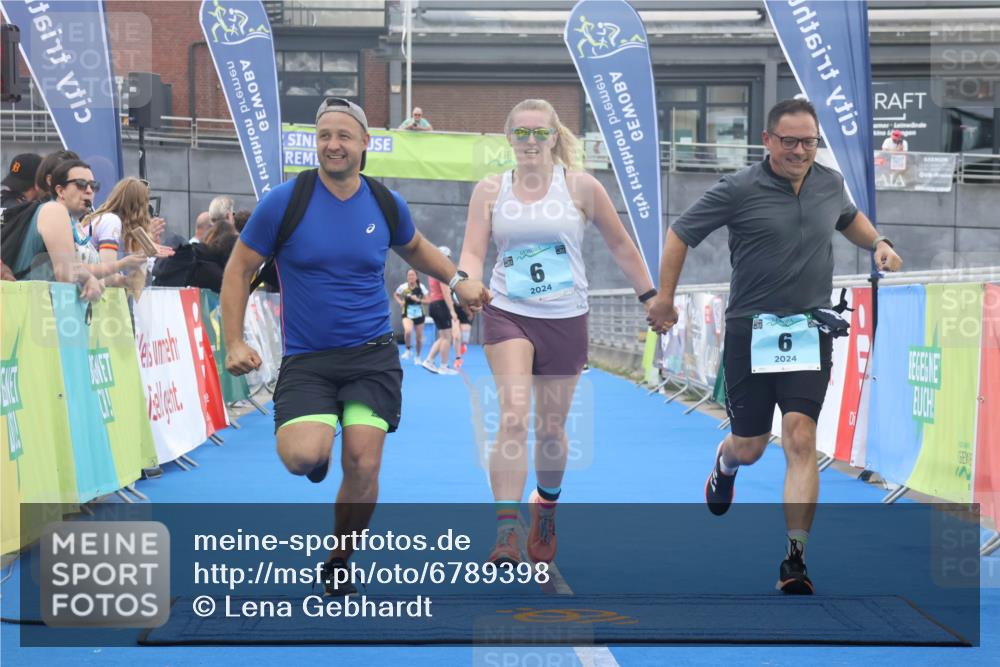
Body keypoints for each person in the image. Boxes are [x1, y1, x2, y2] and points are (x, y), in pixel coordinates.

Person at [221, 97, 489, 596]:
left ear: (365, 143)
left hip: (371, 357)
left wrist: (459, 281)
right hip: (308, 360)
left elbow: (417, 248)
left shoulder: (384, 203)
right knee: (302, 458)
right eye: (324, 135)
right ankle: (318, 448)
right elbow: (238, 269)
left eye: (344, 135)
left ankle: (340, 558)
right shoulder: (284, 202)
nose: (333, 145)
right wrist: (233, 340)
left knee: (364, 463)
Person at [646, 98, 904, 595]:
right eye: (789, 141)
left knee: (801, 437)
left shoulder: (829, 182)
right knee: (751, 446)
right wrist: (664, 298)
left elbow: (849, 218)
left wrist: (879, 242)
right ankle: (725, 462)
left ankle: (795, 559)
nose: (800, 151)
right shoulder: (738, 188)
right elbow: (680, 234)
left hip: (809, 329)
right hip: (752, 330)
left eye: (809, 142)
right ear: (767, 140)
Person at [459, 99, 656, 565]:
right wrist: (465, 280)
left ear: (554, 137)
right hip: (508, 311)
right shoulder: (490, 190)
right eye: (521, 133)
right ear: (509, 137)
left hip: (566, 317)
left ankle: (544, 508)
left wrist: (651, 297)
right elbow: (473, 251)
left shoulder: (581, 186)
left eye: (540, 133)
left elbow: (620, 244)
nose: (530, 141)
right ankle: (506, 531)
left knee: (550, 430)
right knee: (513, 416)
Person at [9, 159, 105, 301]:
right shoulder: (54, 210)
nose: (89, 190)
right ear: (60, 191)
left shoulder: (73, 222)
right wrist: (89, 278)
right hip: (31, 307)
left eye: (93, 185)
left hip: (43, 307)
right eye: (81, 184)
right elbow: (65, 273)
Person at [85, 176, 173, 291]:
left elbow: (134, 283)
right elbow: (106, 275)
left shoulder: (105, 220)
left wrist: (144, 245)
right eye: (145, 203)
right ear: (138, 207)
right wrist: (143, 243)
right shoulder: (111, 221)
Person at [421, 246, 461, 375]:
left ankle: (429, 361)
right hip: (440, 305)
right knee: (446, 338)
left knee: (443, 337)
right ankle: (443, 366)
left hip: (435, 305)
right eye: (447, 257)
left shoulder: (433, 270)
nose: (449, 260)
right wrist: (452, 311)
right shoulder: (442, 271)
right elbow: (445, 292)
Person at [394, 269, 429, 363]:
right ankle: (408, 350)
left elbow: (428, 300)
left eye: (413, 275)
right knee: (408, 331)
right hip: (407, 313)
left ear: (416, 277)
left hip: (419, 314)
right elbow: (396, 295)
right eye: (409, 275)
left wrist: (418, 300)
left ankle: (417, 356)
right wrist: (400, 302)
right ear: (407, 277)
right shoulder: (403, 287)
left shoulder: (421, 287)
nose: (411, 277)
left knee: (419, 338)